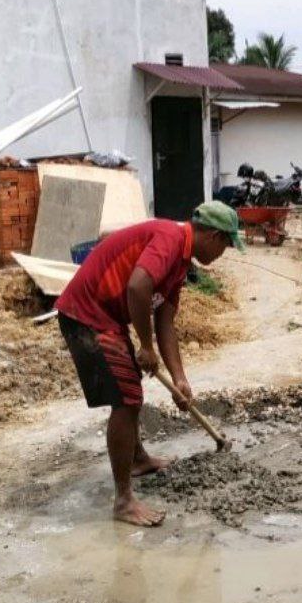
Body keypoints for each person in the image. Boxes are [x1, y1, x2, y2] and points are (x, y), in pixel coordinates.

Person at [54, 201, 245, 527]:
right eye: (226, 246)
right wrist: (144, 345)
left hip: (108, 317)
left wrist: (180, 379)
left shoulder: (181, 264)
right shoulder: (169, 238)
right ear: (213, 237)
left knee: (129, 389)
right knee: (127, 399)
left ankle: (138, 459)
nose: (223, 254)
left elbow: (166, 321)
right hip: (86, 314)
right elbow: (138, 286)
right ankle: (124, 501)